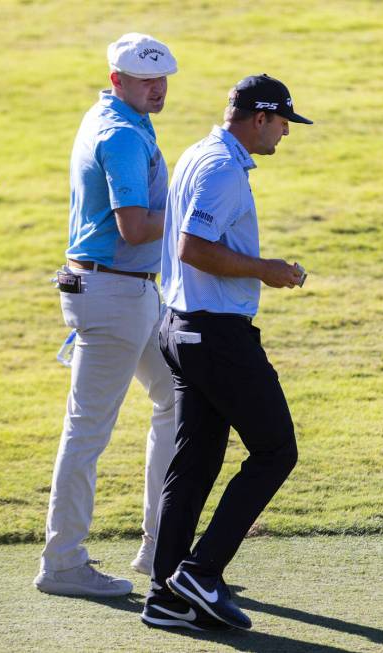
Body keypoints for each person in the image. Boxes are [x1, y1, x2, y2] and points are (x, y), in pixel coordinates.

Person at [141, 74, 312, 631]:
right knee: (275, 451)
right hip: (216, 334)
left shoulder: (199, 153)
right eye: (283, 120)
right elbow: (193, 248)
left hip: (181, 327)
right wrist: (268, 270)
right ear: (259, 118)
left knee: (194, 463)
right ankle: (201, 571)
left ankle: (167, 592)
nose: (286, 131)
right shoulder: (222, 169)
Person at [34, 33, 178, 598]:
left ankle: (160, 546)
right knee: (87, 432)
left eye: (163, 77)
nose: (158, 87)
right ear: (117, 79)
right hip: (114, 293)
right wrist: (188, 207)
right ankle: (63, 562)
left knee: (178, 397)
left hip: (126, 290)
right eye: (146, 79)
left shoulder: (117, 115)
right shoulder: (119, 132)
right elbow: (135, 228)